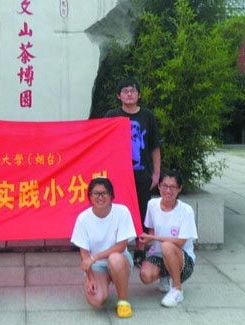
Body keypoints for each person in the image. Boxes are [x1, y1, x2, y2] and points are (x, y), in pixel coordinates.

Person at [105, 77, 161, 268]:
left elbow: (154, 146)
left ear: (139, 94)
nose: (129, 94)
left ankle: (140, 249)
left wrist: (156, 174)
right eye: (125, 91)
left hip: (142, 173)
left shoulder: (147, 116)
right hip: (117, 175)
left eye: (133, 90)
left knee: (142, 210)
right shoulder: (111, 115)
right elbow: (102, 143)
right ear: (118, 96)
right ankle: (116, 248)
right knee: (116, 210)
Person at [70, 177, 137, 319]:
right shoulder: (83, 219)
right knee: (96, 299)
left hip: (120, 260)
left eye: (104, 193)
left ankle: (123, 301)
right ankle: (103, 283)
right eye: (96, 193)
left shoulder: (122, 212)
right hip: (97, 266)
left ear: (111, 195)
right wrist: (90, 277)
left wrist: (95, 257)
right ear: (89, 196)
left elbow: (121, 246)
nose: (100, 197)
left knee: (115, 259)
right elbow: (84, 254)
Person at [138, 169, 198, 308]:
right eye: (164, 186)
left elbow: (180, 242)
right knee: (145, 275)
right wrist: (146, 239)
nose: (168, 190)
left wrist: (152, 237)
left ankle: (177, 289)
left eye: (173, 187)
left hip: (183, 260)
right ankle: (165, 277)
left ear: (179, 189)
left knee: (167, 246)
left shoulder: (186, 210)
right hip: (160, 256)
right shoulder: (152, 204)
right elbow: (151, 230)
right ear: (159, 186)